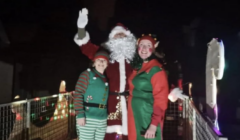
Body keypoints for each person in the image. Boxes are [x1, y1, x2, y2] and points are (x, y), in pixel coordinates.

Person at [74, 8, 136, 140]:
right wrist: (81, 29)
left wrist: (171, 89)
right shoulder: (105, 54)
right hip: (108, 103)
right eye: (116, 35)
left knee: (128, 134)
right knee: (107, 135)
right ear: (111, 39)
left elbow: (149, 75)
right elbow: (86, 47)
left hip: (129, 103)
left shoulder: (135, 59)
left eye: (122, 35)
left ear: (128, 38)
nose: (119, 38)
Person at [128, 34, 169, 140]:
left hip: (147, 117)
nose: (144, 48)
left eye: (148, 45)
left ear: (153, 49)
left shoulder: (156, 69)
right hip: (135, 115)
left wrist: (154, 125)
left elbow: (161, 98)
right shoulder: (138, 67)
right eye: (142, 45)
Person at [73, 51, 109, 140]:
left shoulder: (105, 78)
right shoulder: (87, 74)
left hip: (102, 119)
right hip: (88, 118)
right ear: (94, 63)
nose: (101, 62)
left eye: (104, 60)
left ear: (107, 64)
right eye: (99, 60)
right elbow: (78, 94)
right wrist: (80, 114)